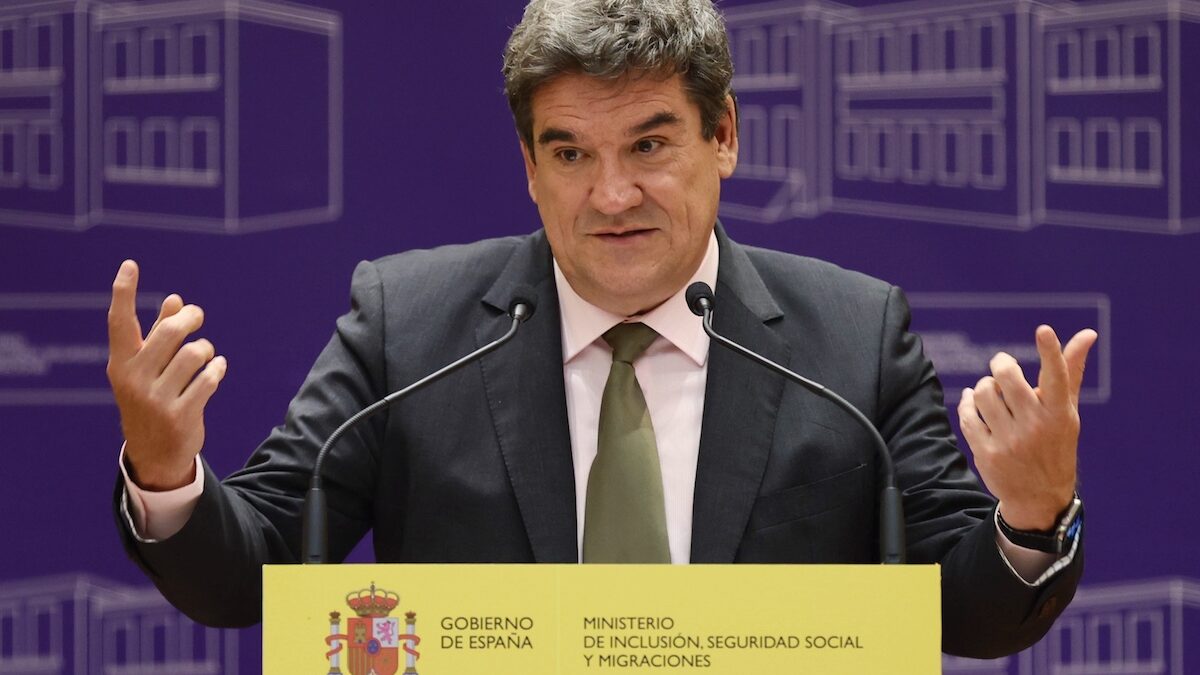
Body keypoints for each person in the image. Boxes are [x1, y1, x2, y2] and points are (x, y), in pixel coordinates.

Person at [107, 0, 1097, 658]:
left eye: (650, 144)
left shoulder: (853, 337)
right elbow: (257, 573)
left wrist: (1030, 515)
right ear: (530, 168)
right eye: (571, 153)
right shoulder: (408, 326)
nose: (611, 194)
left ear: (724, 136)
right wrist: (165, 474)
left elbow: (958, 611)